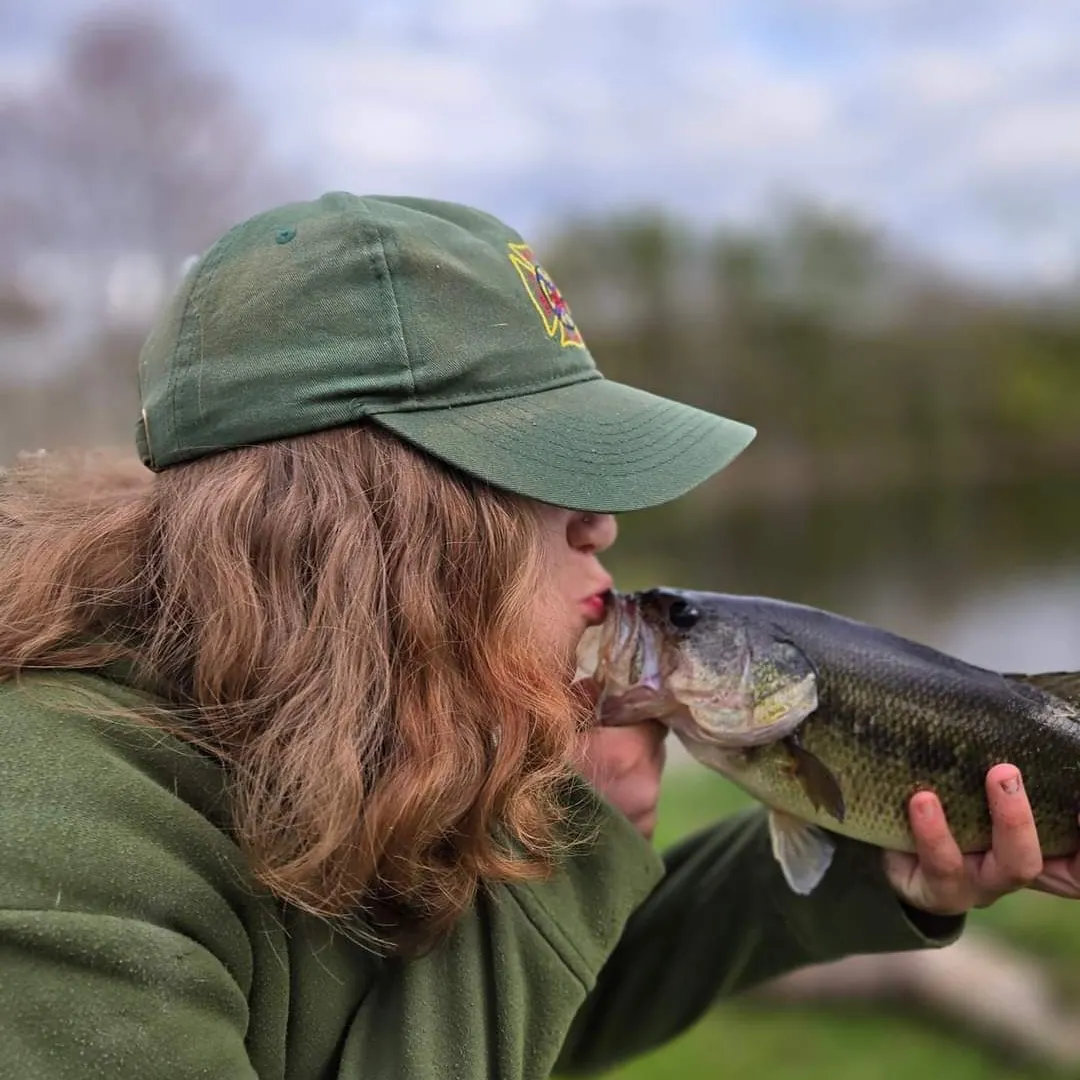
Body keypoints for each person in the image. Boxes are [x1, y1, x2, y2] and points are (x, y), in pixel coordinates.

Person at [1, 191, 1077, 1080]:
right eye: (548, 470)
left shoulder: (354, 717)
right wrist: (571, 861)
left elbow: (540, 1014)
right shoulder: (50, 855)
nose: (604, 524)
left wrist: (880, 870)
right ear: (381, 528)